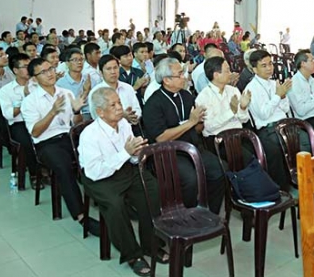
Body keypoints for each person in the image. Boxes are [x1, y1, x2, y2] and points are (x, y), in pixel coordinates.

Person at [79, 87, 164, 275]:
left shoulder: (124, 124)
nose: (119, 107)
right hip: (99, 178)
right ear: (100, 112)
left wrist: (137, 153)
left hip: (125, 170)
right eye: (113, 105)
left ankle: (151, 244)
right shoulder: (90, 135)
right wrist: (126, 153)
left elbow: (131, 158)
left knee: (152, 190)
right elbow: (94, 171)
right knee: (115, 205)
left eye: (119, 102)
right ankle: (132, 254)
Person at [21, 58, 100, 233]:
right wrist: (53, 112)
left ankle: (106, 200)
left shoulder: (65, 93)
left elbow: (75, 122)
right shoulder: (30, 101)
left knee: (97, 154)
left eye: (51, 69)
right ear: (34, 78)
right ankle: (81, 216)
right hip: (46, 144)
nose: (50, 73)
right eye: (43, 72)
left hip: (69, 137)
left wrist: (77, 111)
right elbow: (35, 132)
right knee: (64, 167)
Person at [142, 58, 226, 214]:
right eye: (180, 74)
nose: (185, 77)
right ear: (166, 80)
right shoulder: (153, 104)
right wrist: (191, 122)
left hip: (192, 147)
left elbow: (198, 129)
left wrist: (200, 122)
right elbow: (161, 138)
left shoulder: (186, 96)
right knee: (191, 179)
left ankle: (209, 213)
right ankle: (186, 217)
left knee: (219, 170)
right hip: (167, 153)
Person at [244, 50, 300, 189]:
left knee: (307, 142)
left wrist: (281, 96)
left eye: (270, 64)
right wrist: (277, 96)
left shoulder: (274, 83)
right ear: (254, 69)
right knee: (279, 148)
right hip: (267, 128)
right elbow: (264, 114)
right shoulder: (251, 88)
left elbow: (286, 108)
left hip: (284, 124)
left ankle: (303, 179)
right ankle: (283, 187)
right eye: (264, 65)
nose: (269, 68)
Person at [0, 53, 42, 189]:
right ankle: (35, 174)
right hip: (19, 123)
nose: (29, 69)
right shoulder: (6, 90)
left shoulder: (39, 85)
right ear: (15, 70)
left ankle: (47, 167)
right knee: (27, 141)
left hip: (38, 119)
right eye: (25, 66)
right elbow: (9, 114)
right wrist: (25, 99)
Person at [195, 56, 251, 141]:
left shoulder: (233, 90)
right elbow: (209, 126)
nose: (230, 73)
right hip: (218, 140)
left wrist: (243, 108)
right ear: (216, 75)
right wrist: (231, 112)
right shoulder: (203, 97)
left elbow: (244, 120)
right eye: (227, 71)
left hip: (238, 134)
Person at [88, 55, 142, 127]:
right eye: (109, 69)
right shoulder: (95, 92)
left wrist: (133, 116)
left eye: (115, 68)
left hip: (130, 127)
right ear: (101, 72)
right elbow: (96, 117)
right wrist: (122, 116)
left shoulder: (128, 88)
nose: (113, 72)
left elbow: (137, 110)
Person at [56, 48, 92, 119]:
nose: (79, 62)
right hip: (71, 116)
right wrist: (85, 92)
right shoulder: (60, 84)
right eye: (75, 60)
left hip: (92, 114)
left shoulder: (89, 79)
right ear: (67, 63)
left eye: (81, 59)